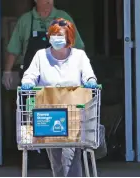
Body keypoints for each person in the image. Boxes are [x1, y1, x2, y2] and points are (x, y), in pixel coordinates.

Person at [21, 18, 98, 177]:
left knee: (70, 155)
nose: (56, 38)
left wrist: (90, 82)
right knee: (55, 157)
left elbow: (89, 76)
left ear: (69, 37)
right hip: (49, 113)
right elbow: (30, 75)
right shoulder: (41, 56)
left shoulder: (79, 56)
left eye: (60, 35)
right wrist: (27, 82)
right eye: (53, 35)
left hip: (73, 115)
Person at [2, 0, 84, 89]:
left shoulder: (63, 17)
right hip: (31, 81)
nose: (49, 1)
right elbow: (14, 48)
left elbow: (78, 47)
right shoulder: (25, 20)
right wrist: (7, 72)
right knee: (31, 102)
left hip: (61, 80)